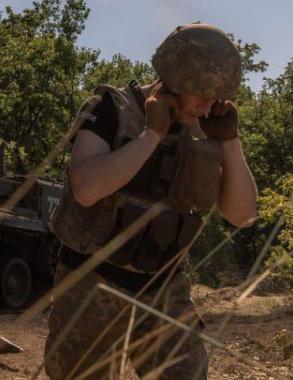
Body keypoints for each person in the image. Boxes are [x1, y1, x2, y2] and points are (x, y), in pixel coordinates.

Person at [45, 23, 258, 379]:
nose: (208, 108)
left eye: (216, 99)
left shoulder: (204, 128)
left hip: (164, 290)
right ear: (175, 78)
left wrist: (231, 143)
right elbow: (86, 188)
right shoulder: (112, 107)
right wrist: (151, 136)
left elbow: (242, 215)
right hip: (92, 282)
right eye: (202, 95)